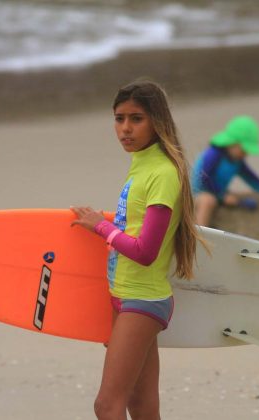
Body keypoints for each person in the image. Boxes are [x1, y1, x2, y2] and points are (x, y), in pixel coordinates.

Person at [70, 80, 205, 420]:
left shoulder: (162, 172)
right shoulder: (143, 163)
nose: (125, 129)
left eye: (136, 119)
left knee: (106, 405)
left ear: (156, 121)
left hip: (142, 301)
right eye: (119, 118)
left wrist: (100, 227)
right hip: (124, 295)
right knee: (142, 406)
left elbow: (146, 250)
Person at [191, 115, 259, 227]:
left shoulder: (237, 161)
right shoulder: (214, 154)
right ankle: (199, 234)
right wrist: (222, 196)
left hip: (219, 192)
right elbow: (204, 177)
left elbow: (254, 180)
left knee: (251, 195)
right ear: (232, 143)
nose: (246, 154)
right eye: (244, 149)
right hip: (198, 194)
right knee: (209, 201)